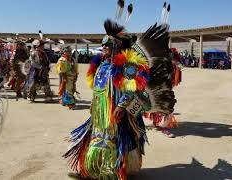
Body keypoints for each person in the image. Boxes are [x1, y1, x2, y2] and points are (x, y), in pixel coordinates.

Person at [64, 17, 176, 180]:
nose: (103, 47)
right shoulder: (102, 64)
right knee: (93, 138)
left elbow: (132, 88)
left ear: (116, 46)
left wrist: (122, 106)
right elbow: (98, 89)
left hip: (116, 113)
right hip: (100, 112)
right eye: (102, 45)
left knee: (117, 142)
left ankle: (117, 173)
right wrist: (95, 105)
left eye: (107, 45)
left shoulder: (127, 66)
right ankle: (90, 171)